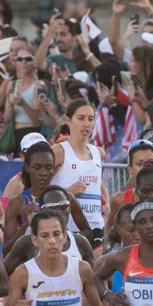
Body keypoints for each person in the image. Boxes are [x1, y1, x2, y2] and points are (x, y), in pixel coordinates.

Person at [51, 100, 105, 236]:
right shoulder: (58, 152)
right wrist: (67, 192)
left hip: (96, 228)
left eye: (91, 119)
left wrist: (107, 204)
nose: (86, 124)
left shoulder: (98, 152)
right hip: (66, 230)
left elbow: (99, 184)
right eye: (80, 118)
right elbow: (38, 193)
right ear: (68, 121)